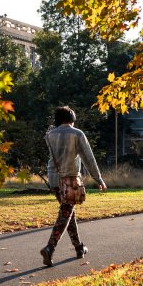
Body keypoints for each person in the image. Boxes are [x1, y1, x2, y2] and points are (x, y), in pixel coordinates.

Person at [41, 106, 107, 267]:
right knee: (66, 212)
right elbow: (88, 159)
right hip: (70, 178)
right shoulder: (77, 134)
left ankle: (79, 248)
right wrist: (98, 179)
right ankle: (50, 247)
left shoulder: (50, 135)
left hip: (54, 179)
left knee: (68, 212)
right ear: (72, 117)